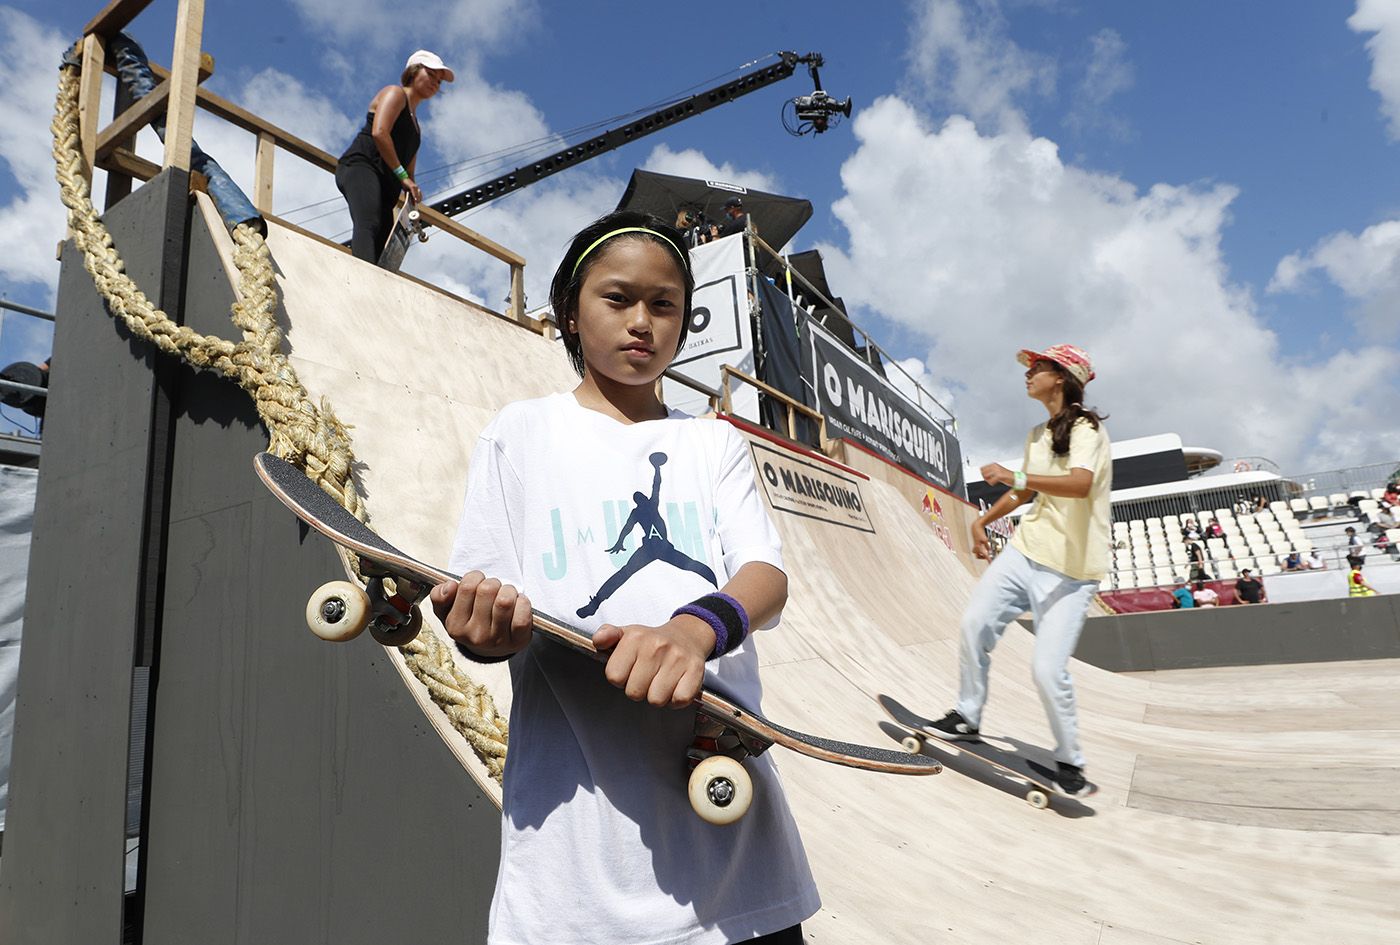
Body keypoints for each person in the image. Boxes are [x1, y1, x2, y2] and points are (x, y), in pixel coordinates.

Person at [429, 211, 818, 945]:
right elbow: (484, 613)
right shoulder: (522, 433)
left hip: (735, 866)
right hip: (573, 872)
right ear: (571, 312)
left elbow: (766, 576)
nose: (642, 322)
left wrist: (693, 629)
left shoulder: (710, 440)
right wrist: (481, 633)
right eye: (617, 299)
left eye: (663, 304)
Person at [927, 343, 1110, 799]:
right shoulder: (1037, 434)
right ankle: (966, 715)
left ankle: (1070, 761)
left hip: (1072, 573)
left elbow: (1081, 483)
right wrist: (981, 520)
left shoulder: (1088, 430)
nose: (1028, 374)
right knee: (974, 625)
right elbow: (1025, 494)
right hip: (1026, 552)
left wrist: (1016, 478)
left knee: (1048, 671)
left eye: (1038, 368)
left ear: (1063, 377)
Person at [336, 49, 453, 263]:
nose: (435, 83)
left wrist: (413, 193)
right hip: (362, 167)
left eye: (439, 81)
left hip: (386, 186)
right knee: (369, 223)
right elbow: (380, 133)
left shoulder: (416, 127)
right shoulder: (395, 93)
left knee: (385, 243)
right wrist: (403, 177)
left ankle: (375, 285)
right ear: (413, 72)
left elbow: (409, 172)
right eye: (431, 75)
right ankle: (363, 278)